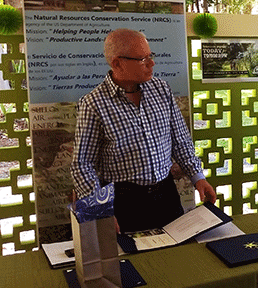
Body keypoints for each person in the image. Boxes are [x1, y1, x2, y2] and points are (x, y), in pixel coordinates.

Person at [71, 28, 216, 233]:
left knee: (175, 256)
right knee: (134, 261)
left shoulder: (161, 90)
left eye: (150, 56)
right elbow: (82, 164)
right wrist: (100, 209)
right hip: (124, 202)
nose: (151, 63)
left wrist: (198, 178)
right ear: (117, 63)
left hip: (166, 196)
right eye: (142, 59)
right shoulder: (94, 104)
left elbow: (180, 140)